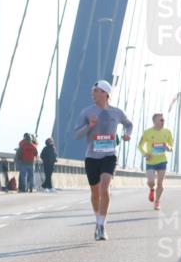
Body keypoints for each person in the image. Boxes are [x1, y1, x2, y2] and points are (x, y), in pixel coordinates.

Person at [73, 80, 133, 241]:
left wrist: (128, 134)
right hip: (92, 157)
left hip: (109, 155)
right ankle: (98, 219)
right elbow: (77, 135)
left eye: (97, 91)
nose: (93, 94)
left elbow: (128, 124)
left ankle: (101, 225)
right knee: (94, 193)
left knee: (104, 189)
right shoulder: (86, 112)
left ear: (106, 93)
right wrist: (90, 126)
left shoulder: (117, 112)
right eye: (93, 91)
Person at [138, 113, 174, 210]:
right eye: (161, 120)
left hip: (162, 161)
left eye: (163, 120)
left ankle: (157, 202)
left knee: (160, 184)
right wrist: (145, 154)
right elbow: (140, 146)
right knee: (151, 182)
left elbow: (171, 147)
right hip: (150, 161)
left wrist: (168, 147)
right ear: (154, 121)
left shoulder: (167, 132)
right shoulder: (147, 132)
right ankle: (151, 189)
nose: (163, 122)